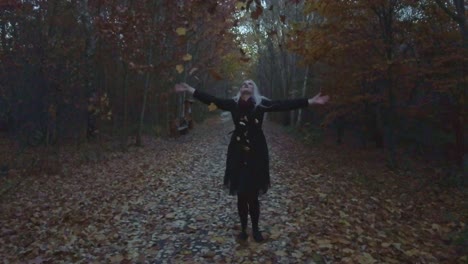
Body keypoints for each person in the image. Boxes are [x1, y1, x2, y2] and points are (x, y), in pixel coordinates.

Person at [174, 80, 329, 242]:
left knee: (252, 194)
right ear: (240, 89)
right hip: (238, 152)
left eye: (250, 83)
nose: (246, 84)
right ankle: (243, 230)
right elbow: (211, 99)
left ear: (254, 88)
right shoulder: (233, 104)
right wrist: (189, 89)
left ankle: (255, 229)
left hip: (257, 152)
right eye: (243, 83)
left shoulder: (261, 104)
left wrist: (310, 101)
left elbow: (284, 104)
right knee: (241, 194)